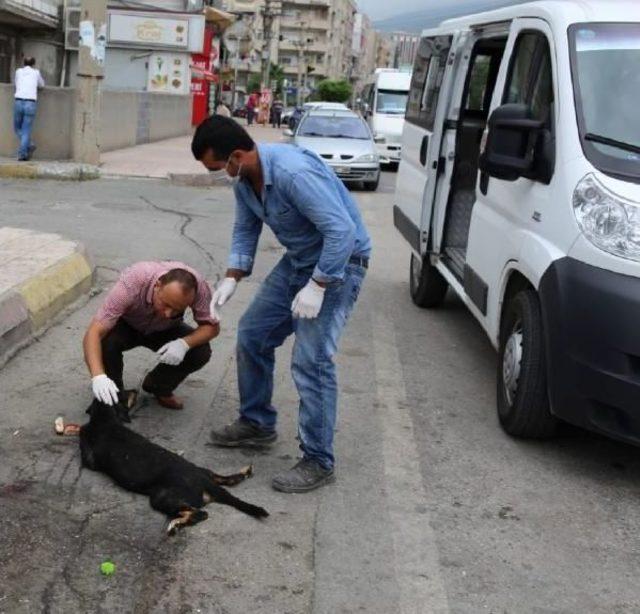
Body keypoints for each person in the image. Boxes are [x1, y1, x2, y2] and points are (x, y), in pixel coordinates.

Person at [191, 116, 371, 493]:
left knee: (311, 360)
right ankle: (257, 423)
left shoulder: (293, 173)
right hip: (299, 260)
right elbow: (245, 229)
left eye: (217, 167)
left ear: (237, 156)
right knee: (253, 335)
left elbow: (342, 231)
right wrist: (232, 276)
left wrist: (319, 285)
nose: (218, 175)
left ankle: (319, 460)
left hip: (339, 263)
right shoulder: (245, 179)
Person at [83, 262, 219, 410]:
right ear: (157, 286)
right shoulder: (133, 282)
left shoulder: (199, 289)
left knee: (200, 352)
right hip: (128, 324)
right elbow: (94, 332)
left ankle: (158, 385)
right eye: (165, 304)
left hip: (165, 329)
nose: (168, 314)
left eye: (177, 310)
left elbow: (212, 327)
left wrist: (184, 343)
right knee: (105, 341)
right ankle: (113, 395)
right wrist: (98, 375)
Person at [13, 57, 44, 161]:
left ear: (24, 63)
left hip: (18, 101)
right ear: (33, 64)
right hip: (30, 103)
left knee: (17, 128)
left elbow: (16, 84)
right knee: (26, 130)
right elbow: (42, 85)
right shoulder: (36, 73)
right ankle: (28, 146)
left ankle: (24, 152)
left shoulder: (18, 71)